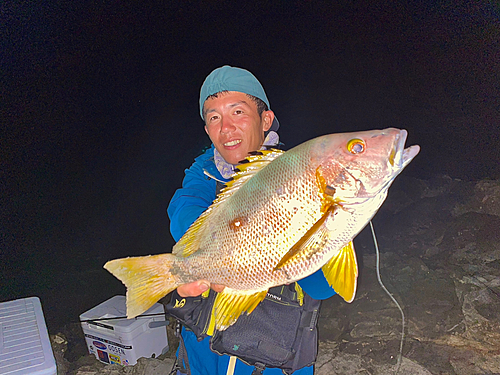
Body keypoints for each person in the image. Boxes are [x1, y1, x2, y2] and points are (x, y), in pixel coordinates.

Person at [167, 65, 337, 375]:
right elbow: (181, 210)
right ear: (207, 129)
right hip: (200, 358)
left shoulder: (301, 176)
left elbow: (324, 286)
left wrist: (281, 244)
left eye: (238, 112)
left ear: (266, 119)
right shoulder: (205, 170)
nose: (226, 128)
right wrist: (222, 252)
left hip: (271, 363)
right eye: (214, 117)